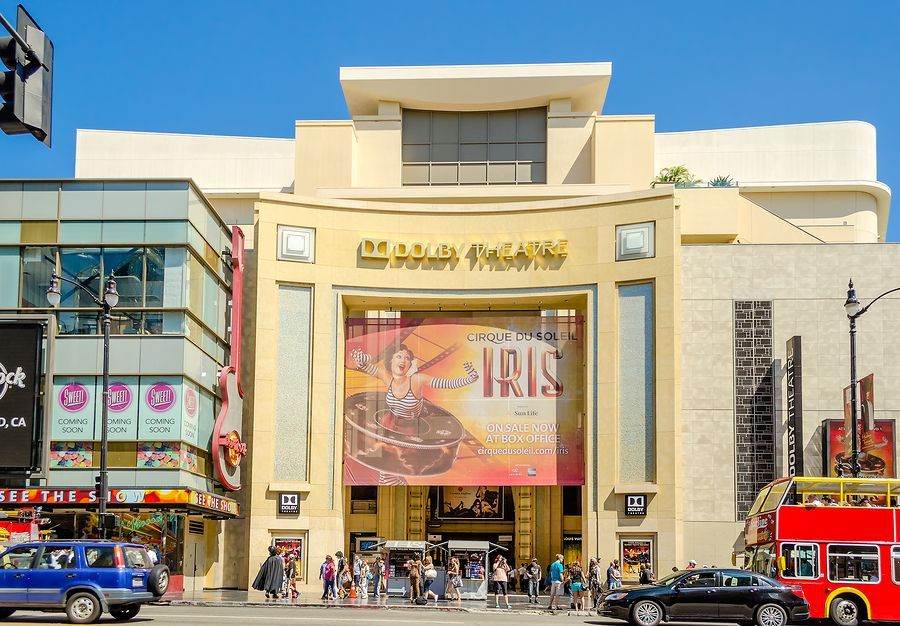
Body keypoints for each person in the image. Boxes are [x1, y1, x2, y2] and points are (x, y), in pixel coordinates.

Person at [351, 344, 479, 428]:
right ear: (391, 361)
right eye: (399, 356)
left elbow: (448, 384)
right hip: (389, 422)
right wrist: (362, 359)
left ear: (409, 364)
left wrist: (470, 379)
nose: (403, 360)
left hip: (411, 428)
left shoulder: (417, 380)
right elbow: (364, 366)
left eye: (407, 358)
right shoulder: (387, 378)